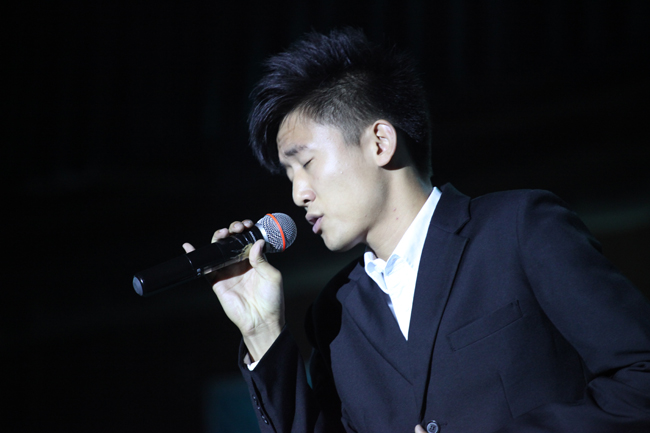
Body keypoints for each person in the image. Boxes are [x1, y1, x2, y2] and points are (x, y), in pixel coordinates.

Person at [184, 28, 650, 432]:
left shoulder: (518, 228)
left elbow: (640, 376)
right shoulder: (334, 311)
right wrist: (262, 329)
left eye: (305, 163)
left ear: (380, 142)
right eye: (289, 176)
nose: (298, 194)